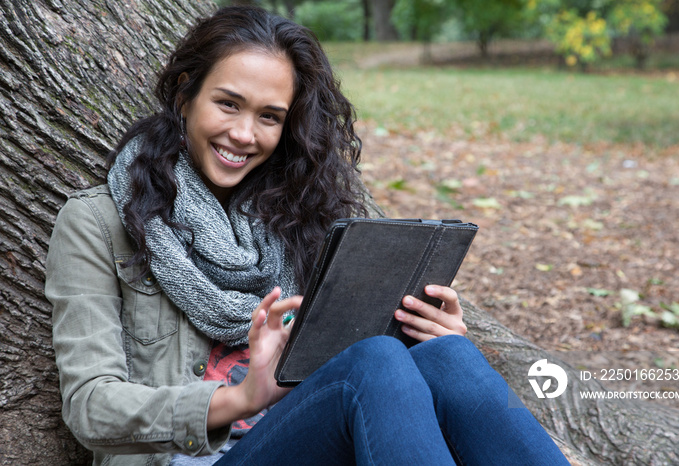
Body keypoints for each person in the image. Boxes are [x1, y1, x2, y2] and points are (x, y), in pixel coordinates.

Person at [45, 5, 569, 466]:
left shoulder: (301, 213)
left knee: (448, 356)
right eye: (228, 103)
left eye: (269, 117)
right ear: (185, 95)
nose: (245, 134)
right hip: (193, 458)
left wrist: (421, 326)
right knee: (372, 364)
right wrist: (242, 398)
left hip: (309, 435)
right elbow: (90, 407)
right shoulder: (98, 223)